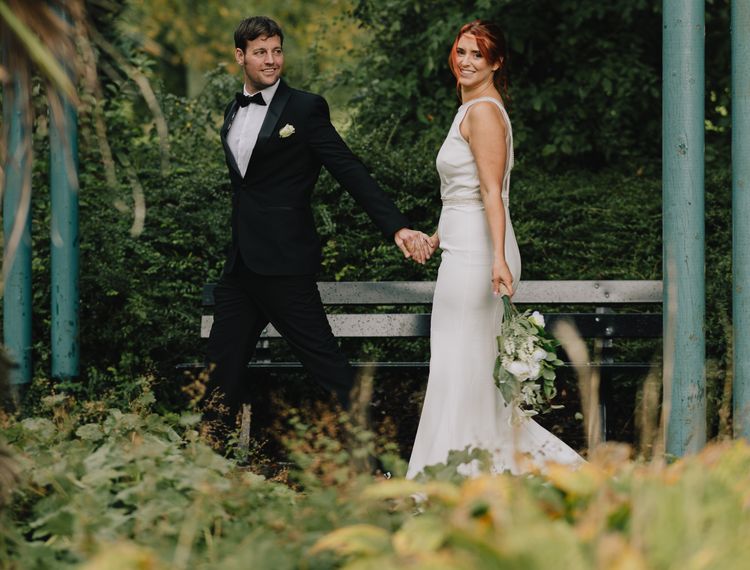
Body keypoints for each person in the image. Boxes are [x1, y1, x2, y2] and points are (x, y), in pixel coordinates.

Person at [206, 16, 431, 428]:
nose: (271, 60)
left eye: (277, 50)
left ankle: (376, 455)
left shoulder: (304, 108)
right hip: (240, 267)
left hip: (285, 264)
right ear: (240, 56)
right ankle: (207, 460)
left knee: (328, 368)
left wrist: (396, 226)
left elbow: (348, 169)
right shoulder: (233, 110)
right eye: (260, 52)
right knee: (220, 371)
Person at [407, 20, 582, 478]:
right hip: (462, 245)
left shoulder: (484, 112)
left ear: (496, 63)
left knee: (462, 370)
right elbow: (463, 193)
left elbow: (491, 192)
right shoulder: (469, 107)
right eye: (461, 51)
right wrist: (437, 236)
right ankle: (466, 473)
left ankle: (465, 476)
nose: (465, 61)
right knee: (460, 368)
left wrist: (499, 257)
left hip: (480, 255)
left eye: (477, 55)